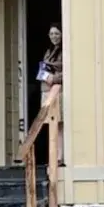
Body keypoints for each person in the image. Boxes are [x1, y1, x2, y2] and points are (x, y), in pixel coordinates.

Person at [37, 22, 64, 164]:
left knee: (59, 124)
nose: (54, 36)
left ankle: (60, 156)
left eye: (57, 33)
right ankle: (52, 156)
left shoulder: (64, 50)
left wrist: (55, 77)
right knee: (49, 124)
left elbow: (67, 70)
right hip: (46, 89)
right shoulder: (48, 50)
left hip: (57, 90)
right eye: (52, 33)